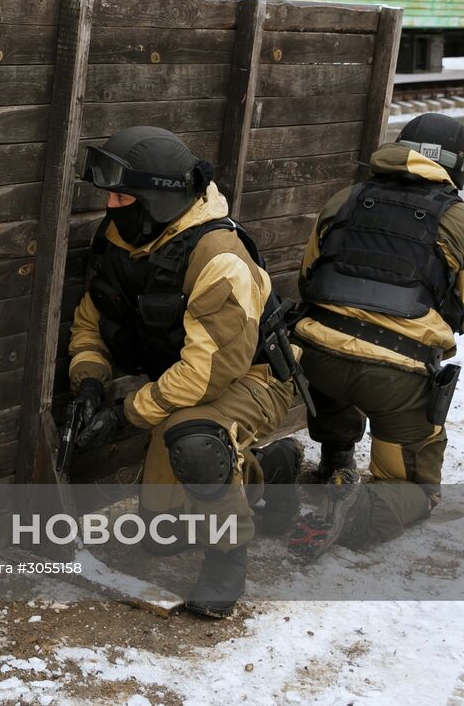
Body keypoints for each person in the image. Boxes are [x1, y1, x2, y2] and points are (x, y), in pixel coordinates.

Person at [61, 126, 303, 618]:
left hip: (251, 380)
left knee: (194, 438)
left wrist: (127, 413)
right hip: (183, 383)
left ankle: (227, 559)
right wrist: (89, 381)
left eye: (122, 195)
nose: (110, 205)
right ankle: (270, 470)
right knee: (162, 537)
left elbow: (206, 374)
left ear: (156, 201)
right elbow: (91, 320)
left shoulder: (219, 259)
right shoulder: (117, 240)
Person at [289, 113, 464, 559]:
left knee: (333, 363)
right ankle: (357, 512)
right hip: (396, 377)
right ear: (458, 167)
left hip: (316, 358)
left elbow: (308, 280)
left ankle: (330, 461)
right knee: (412, 489)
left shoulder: (343, 198)